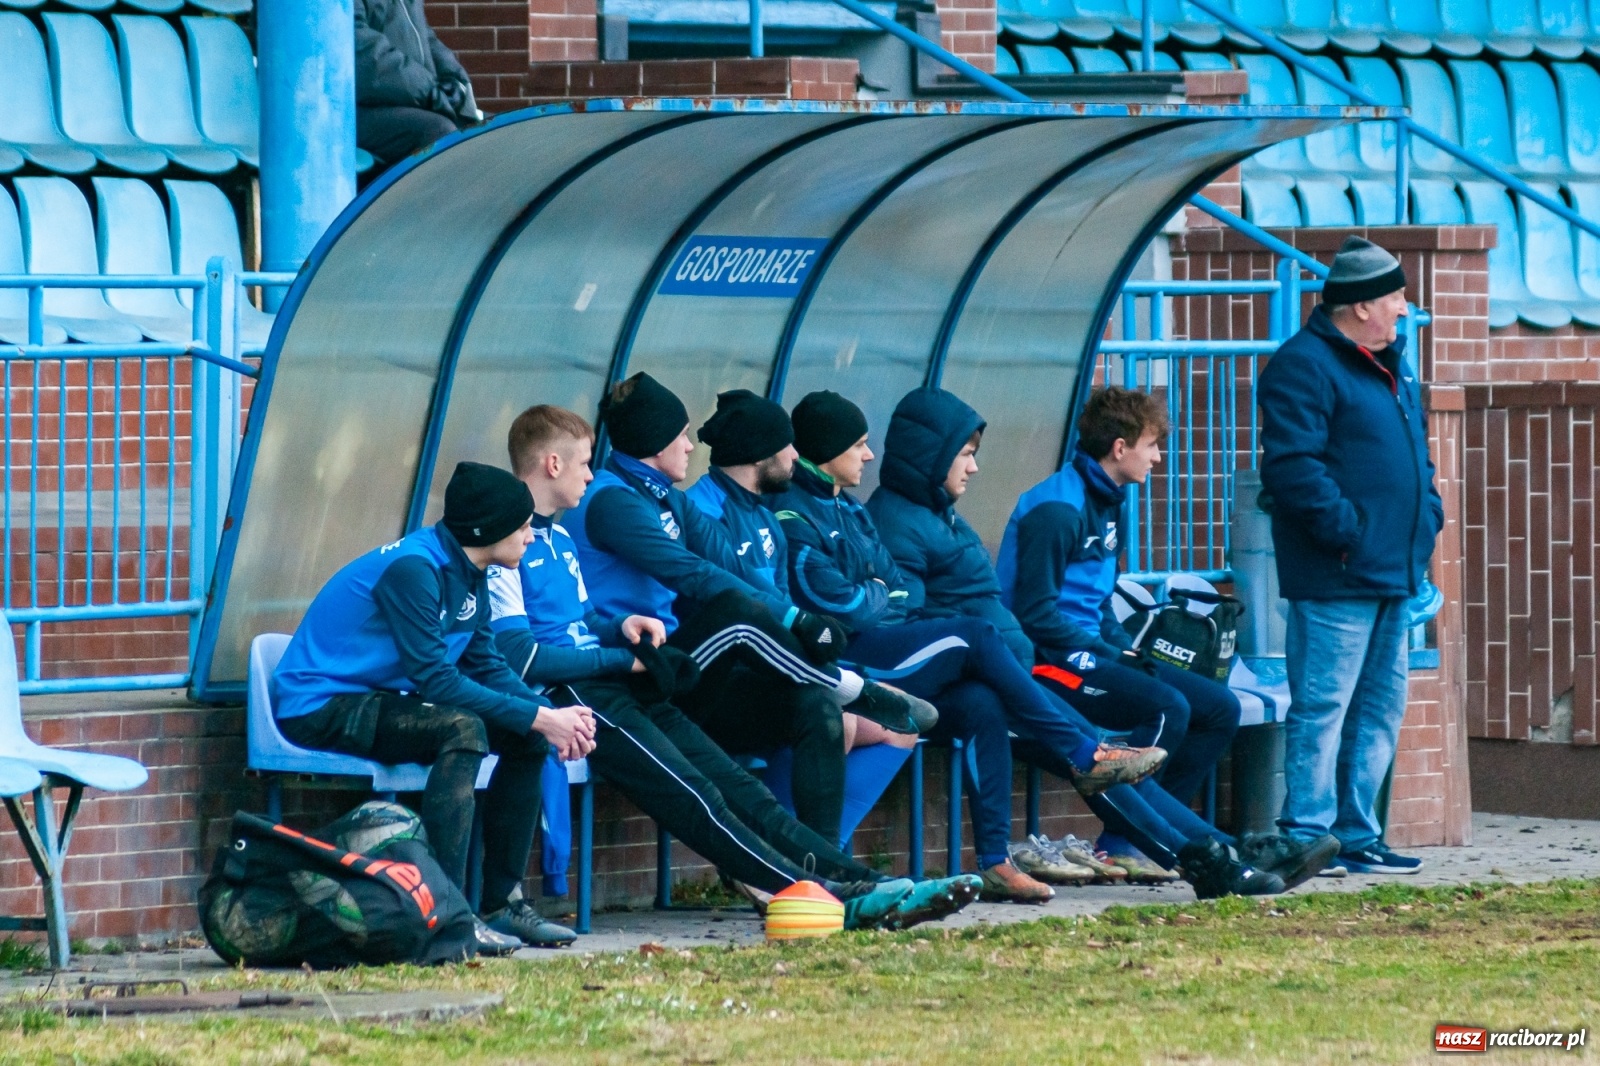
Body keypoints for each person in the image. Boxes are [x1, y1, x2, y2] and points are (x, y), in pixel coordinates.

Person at [488, 404, 982, 929]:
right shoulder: (505, 543)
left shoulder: (559, 538)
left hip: (621, 680)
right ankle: (828, 895)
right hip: (577, 699)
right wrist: (619, 656)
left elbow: (583, 620)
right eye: (585, 463)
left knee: (744, 791)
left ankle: (865, 882)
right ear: (554, 465)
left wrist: (621, 626)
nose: (591, 473)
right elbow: (522, 655)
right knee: (699, 798)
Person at [771, 390, 1235, 904]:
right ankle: (1099, 767)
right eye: (858, 444)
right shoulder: (819, 514)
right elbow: (852, 604)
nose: (869, 454)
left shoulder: (859, 512)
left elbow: (886, 589)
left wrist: (878, 592)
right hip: (861, 663)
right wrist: (879, 593)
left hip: (970, 668)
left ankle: (1000, 860)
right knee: (977, 637)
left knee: (982, 702)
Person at [564, 372, 931, 845]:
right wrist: (797, 619)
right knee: (734, 610)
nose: (690, 446)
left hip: (685, 670)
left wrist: (799, 620)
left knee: (816, 710)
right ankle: (850, 686)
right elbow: (693, 573)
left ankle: (821, 863)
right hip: (635, 676)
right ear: (656, 444)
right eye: (681, 436)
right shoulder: (613, 501)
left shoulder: (666, 497)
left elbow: (729, 564)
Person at [272, 462, 596, 954]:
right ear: (488, 529)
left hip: (376, 700)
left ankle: (500, 904)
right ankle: (446, 916)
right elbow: (436, 680)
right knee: (462, 729)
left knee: (525, 735)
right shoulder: (414, 570)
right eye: (523, 526)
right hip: (318, 703)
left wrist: (549, 719)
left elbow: (486, 664)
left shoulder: (473, 571)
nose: (531, 537)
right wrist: (541, 716)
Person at [997, 387, 1250, 880]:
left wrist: (1124, 650)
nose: (1157, 457)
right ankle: (1138, 841)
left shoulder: (1112, 502)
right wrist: (1108, 653)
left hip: (1088, 652)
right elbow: (1034, 615)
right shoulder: (1057, 509)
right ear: (1119, 447)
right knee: (1166, 706)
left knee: (1220, 708)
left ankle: (1131, 841)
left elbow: (1099, 600)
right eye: (1152, 445)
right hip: (1044, 660)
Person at [1252, 236, 1443, 877]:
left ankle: (1356, 836)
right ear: (1362, 306)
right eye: (1396, 298)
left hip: (1393, 569)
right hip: (1336, 573)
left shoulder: (1393, 366)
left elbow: (1418, 458)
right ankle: (1307, 834)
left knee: (1379, 709)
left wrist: (1428, 516)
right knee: (1324, 706)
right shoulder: (1303, 366)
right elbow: (1291, 467)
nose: (1403, 309)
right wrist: (1349, 533)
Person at [685, 390, 919, 849]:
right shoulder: (703, 512)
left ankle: (822, 863)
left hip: (763, 672)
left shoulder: (766, 518)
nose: (796, 455)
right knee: (830, 711)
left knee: (837, 713)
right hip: (707, 685)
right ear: (759, 453)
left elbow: (786, 613)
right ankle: (779, 855)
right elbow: (735, 608)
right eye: (787, 445)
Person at [355, 0, 484, 166]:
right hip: (357, 110)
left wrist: (455, 81)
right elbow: (363, 51)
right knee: (439, 132)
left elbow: (426, 37)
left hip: (409, 98)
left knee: (489, 128)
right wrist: (431, 92)